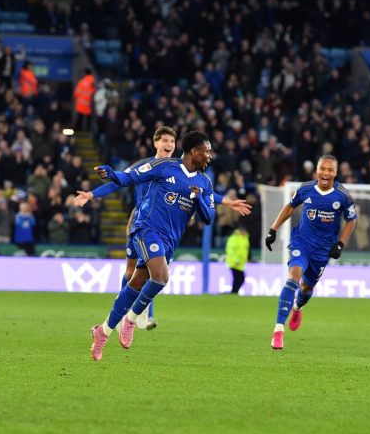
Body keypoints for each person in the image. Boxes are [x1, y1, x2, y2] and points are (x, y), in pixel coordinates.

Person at [74, 127, 251, 330]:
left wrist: (226, 201)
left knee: (150, 274)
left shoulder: (183, 170)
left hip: (168, 230)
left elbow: (202, 193)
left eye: (172, 141)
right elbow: (120, 181)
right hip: (142, 224)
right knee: (139, 271)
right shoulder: (149, 166)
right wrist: (91, 194)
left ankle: (132, 318)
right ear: (155, 142)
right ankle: (128, 317)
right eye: (164, 140)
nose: (168, 145)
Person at [88, 131, 216, 361]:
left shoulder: (204, 183)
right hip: (146, 229)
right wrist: (112, 174)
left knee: (137, 282)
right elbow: (131, 177)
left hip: (169, 241)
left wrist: (197, 198)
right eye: (207, 151)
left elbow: (209, 217)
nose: (210, 156)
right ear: (194, 152)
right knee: (160, 278)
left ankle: (103, 331)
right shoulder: (164, 166)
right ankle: (132, 319)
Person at [264, 154, 357, 350]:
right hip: (301, 243)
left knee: (306, 289)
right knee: (293, 277)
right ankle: (279, 329)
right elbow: (290, 207)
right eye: (322, 168)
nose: (326, 173)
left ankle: (297, 307)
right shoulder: (305, 189)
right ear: (317, 170)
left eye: (330, 169)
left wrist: (340, 243)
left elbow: (351, 220)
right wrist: (273, 229)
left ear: (336, 172)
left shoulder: (343, 195)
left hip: (322, 251)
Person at [225, 223, 250, 294]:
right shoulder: (234, 238)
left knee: (240, 279)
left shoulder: (245, 238)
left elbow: (245, 250)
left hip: (241, 263)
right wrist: (236, 260)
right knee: (239, 278)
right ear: (240, 231)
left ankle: (234, 292)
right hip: (234, 262)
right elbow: (230, 250)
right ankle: (234, 292)